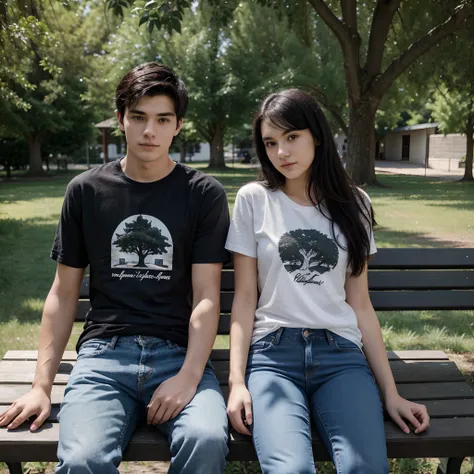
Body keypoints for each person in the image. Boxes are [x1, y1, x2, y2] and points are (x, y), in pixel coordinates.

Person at [0, 62, 230, 474]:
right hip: (105, 357)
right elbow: (63, 293)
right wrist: (41, 386)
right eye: (138, 117)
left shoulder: (203, 194)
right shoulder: (86, 191)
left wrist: (190, 376)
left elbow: (207, 296)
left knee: (207, 439)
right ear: (121, 119)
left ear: (178, 125)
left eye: (163, 120)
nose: (149, 131)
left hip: (178, 354)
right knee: (83, 460)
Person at [225, 89, 430, 474]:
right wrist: (237, 382)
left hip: (341, 357)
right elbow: (244, 299)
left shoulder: (355, 204)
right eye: (270, 143)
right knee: (290, 470)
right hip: (274, 355)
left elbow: (360, 304)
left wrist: (391, 393)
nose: (282, 152)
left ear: (316, 136)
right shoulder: (254, 200)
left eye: (292, 137)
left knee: (365, 468)